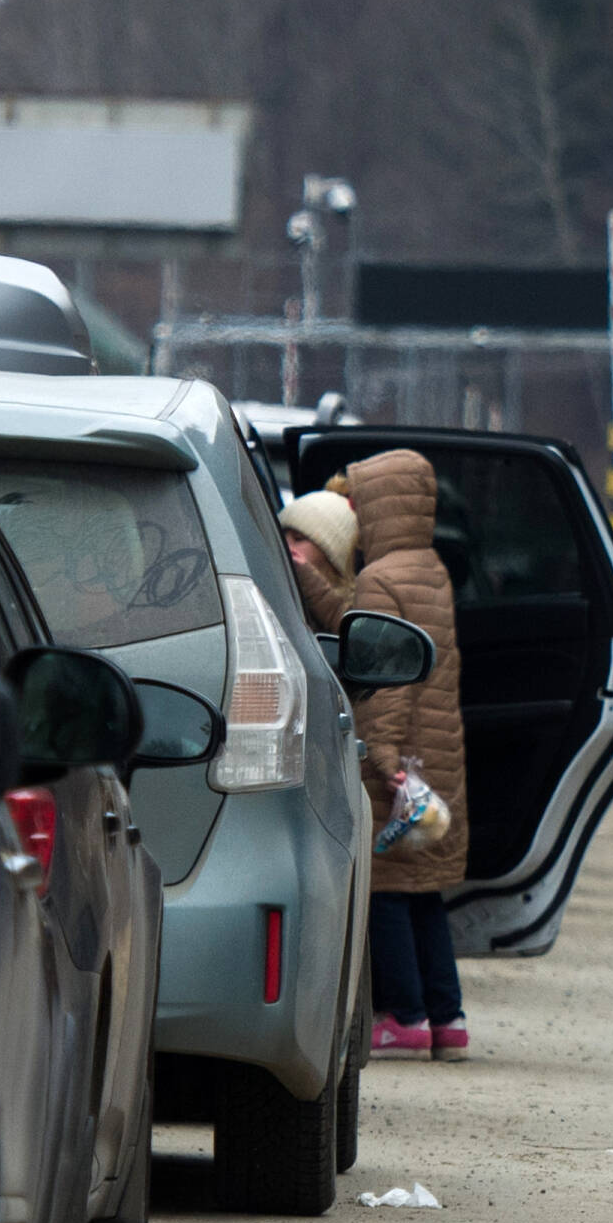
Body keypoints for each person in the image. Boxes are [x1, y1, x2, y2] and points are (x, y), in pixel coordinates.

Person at [344, 449, 472, 1061]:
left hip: (403, 759)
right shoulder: (429, 568)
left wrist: (383, 755)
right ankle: (448, 1018)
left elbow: (388, 676)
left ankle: (404, 1015)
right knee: (425, 893)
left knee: (387, 891)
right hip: (438, 756)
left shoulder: (379, 578)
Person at [276, 486, 356, 634]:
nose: (285, 548)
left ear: (332, 558)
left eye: (298, 539)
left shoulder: (355, 612)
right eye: (280, 538)